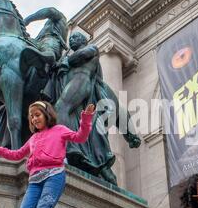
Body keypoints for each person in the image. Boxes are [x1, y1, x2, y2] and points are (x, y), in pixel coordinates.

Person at [43, 32, 140, 185]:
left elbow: (76, 58)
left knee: (60, 108)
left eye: (75, 37)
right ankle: (81, 152)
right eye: (70, 39)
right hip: (75, 85)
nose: (71, 40)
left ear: (83, 40)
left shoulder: (92, 49)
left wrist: (64, 60)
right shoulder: (72, 57)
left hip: (82, 81)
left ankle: (70, 147)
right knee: (71, 115)